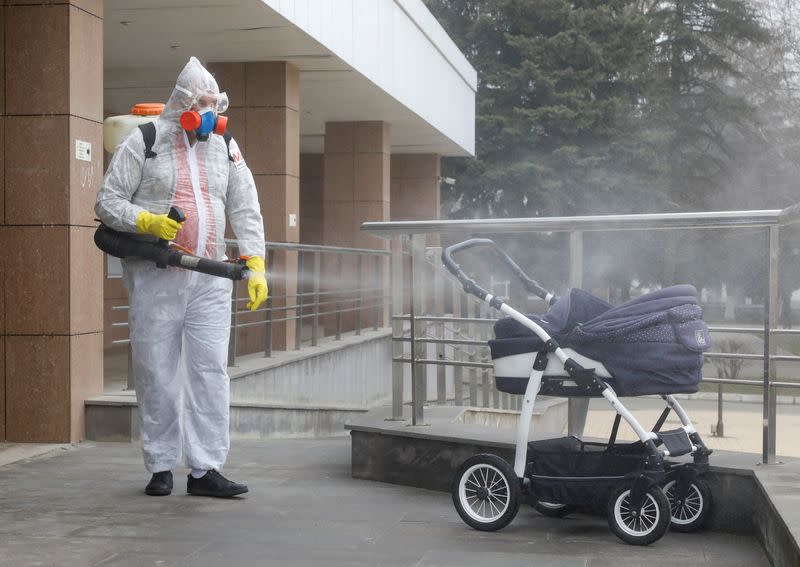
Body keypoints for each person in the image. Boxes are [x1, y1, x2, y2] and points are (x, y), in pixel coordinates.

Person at [95, 57, 268, 498]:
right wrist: (149, 222)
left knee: (210, 370)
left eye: (216, 104)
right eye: (204, 104)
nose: (211, 113)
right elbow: (106, 203)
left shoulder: (224, 144)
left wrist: (255, 262)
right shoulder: (144, 140)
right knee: (156, 370)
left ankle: (206, 469)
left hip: (210, 275)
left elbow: (244, 203)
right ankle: (160, 465)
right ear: (184, 103)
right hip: (157, 275)